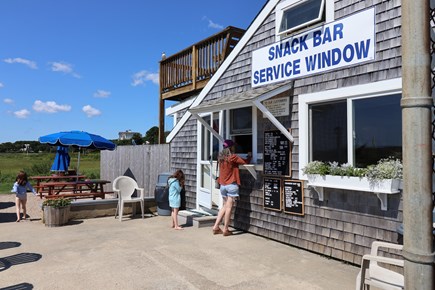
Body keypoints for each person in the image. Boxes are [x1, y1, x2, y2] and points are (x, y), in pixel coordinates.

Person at [212, 139, 251, 236]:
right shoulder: (232, 157)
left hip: (223, 186)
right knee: (229, 207)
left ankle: (216, 226)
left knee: (224, 206)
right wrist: (250, 155)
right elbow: (244, 161)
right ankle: (225, 229)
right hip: (231, 185)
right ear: (231, 147)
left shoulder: (220, 158)